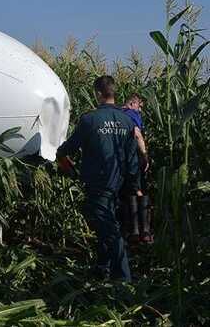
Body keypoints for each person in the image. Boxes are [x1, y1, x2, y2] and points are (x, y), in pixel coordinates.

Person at [56, 76, 140, 282]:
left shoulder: (89, 120)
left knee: (108, 228)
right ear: (113, 92)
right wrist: (135, 186)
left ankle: (123, 280)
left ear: (98, 94)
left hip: (98, 182)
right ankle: (103, 267)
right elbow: (132, 158)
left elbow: (70, 147)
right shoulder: (127, 121)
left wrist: (59, 153)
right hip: (118, 182)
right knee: (106, 222)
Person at [121, 94, 153, 244]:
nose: (140, 110)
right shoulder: (131, 114)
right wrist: (145, 155)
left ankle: (132, 231)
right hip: (133, 157)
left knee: (128, 192)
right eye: (139, 106)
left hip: (120, 160)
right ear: (133, 103)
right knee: (138, 190)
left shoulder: (118, 114)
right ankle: (143, 232)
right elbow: (137, 135)